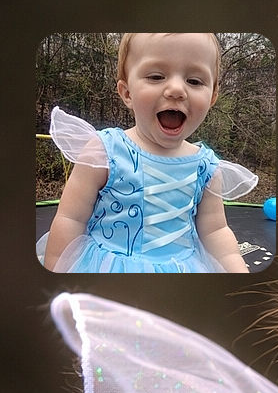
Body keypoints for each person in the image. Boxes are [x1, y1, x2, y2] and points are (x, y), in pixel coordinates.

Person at [39, 33, 256, 273]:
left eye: (194, 81)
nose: (176, 89)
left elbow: (216, 231)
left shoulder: (206, 168)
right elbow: (71, 218)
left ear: (213, 97)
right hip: (107, 267)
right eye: (156, 76)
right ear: (127, 93)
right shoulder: (105, 151)